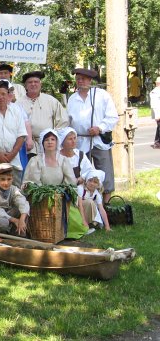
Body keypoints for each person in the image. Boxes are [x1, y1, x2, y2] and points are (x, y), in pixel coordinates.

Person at [22, 128, 90, 239]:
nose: (50, 142)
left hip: (59, 197)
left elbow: (70, 182)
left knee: (72, 220)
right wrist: (46, 194)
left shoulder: (63, 160)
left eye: (53, 139)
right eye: (47, 140)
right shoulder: (36, 161)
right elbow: (33, 182)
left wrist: (60, 193)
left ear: (57, 142)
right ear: (42, 143)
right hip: (40, 198)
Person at [67, 67, 118, 203]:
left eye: (83, 79)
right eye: (78, 79)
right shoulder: (72, 99)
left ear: (90, 80)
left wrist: (100, 128)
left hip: (99, 140)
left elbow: (112, 117)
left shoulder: (102, 95)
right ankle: (86, 202)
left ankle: (106, 204)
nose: (80, 81)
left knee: (105, 171)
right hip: (81, 141)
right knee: (83, 173)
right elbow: (68, 122)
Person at [17, 70, 68, 158]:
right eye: (30, 82)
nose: (33, 84)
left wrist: (53, 137)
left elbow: (63, 120)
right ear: (25, 86)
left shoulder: (51, 100)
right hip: (26, 146)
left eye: (36, 82)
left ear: (40, 84)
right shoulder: (18, 103)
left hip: (47, 145)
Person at [150, 76, 160, 149]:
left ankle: (157, 143)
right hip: (158, 112)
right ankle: (157, 143)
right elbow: (153, 105)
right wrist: (155, 116)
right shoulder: (154, 92)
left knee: (159, 128)